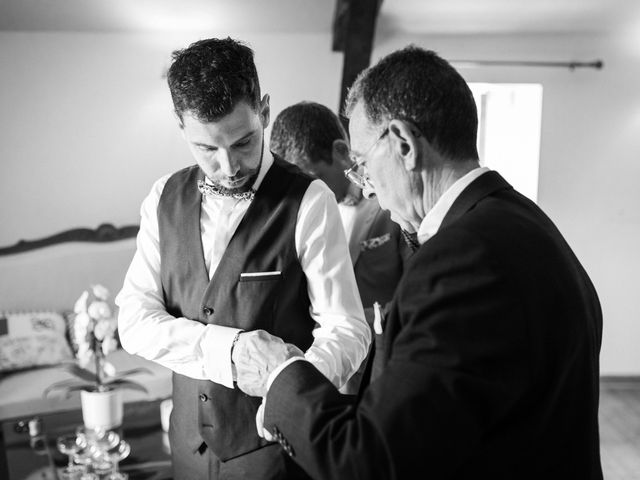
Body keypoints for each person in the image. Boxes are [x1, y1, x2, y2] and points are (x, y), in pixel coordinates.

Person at [232, 45, 604, 479]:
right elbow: (445, 414)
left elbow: (370, 462)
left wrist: (281, 376)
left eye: (364, 164)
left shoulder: (463, 261)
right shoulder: (525, 222)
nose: (367, 188)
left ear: (404, 144)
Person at [115, 37, 370, 480]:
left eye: (244, 142)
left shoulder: (310, 201)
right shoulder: (162, 198)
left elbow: (347, 330)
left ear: (265, 112)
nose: (229, 166)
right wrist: (229, 351)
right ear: (181, 127)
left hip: (274, 452)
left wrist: (287, 390)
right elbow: (134, 321)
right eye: (207, 150)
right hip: (186, 446)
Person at [269, 101, 410, 393]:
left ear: (340, 152)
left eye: (314, 177)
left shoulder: (390, 205)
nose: (311, 193)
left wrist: (362, 322)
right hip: (319, 365)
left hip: (386, 365)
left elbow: (417, 292)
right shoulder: (295, 215)